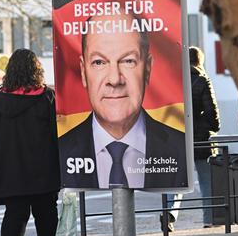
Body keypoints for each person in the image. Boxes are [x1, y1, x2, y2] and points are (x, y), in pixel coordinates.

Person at [59, 12, 187, 189]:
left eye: (128, 61)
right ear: (83, 71)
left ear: (147, 68)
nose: (114, 79)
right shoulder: (61, 151)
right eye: (99, 62)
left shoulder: (180, 149)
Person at [0, 49, 60, 236]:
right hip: (43, 173)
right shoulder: (47, 97)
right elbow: (58, 134)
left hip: (11, 173)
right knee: (46, 216)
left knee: (14, 216)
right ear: (36, 70)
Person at [162, 46, 221, 232]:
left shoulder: (173, 82)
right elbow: (212, 111)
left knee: (177, 180)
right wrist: (212, 126)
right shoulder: (202, 80)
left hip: (177, 137)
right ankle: (209, 219)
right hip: (201, 139)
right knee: (205, 180)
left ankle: (169, 214)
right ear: (199, 61)